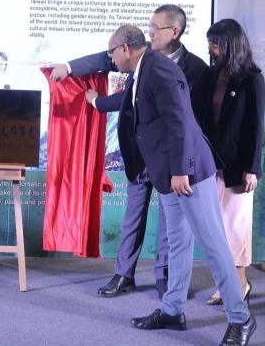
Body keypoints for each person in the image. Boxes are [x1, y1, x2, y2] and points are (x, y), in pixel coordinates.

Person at [103, 25, 255, 345]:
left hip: (187, 174)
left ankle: (241, 318)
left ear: (126, 48)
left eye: (111, 52)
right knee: (178, 242)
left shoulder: (159, 69)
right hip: (168, 172)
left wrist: (181, 169)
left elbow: (181, 120)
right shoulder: (142, 68)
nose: (110, 58)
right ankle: (173, 310)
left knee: (213, 246)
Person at [50, 4, 207, 298]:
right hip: (138, 154)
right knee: (132, 216)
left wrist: (185, 164)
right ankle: (124, 275)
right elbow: (110, 66)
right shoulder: (139, 56)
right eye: (148, 29)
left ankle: (166, 278)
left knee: (169, 221)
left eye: (154, 29)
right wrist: (69, 69)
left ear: (174, 31)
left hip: (170, 159)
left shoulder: (195, 68)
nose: (149, 34)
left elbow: (189, 121)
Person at [191, 19, 265, 306]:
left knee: (235, 227)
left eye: (215, 43)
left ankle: (238, 284)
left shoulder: (251, 78)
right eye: (210, 42)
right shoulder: (209, 76)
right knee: (215, 228)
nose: (211, 48)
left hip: (238, 168)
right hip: (210, 165)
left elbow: (255, 128)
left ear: (231, 45)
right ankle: (229, 283)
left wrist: (253, 169)